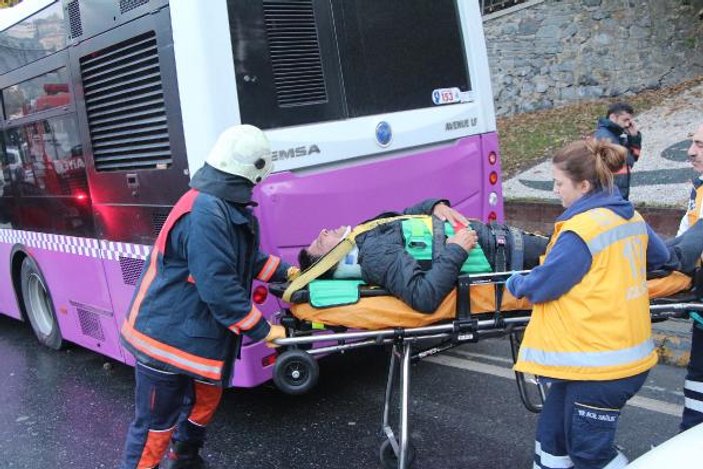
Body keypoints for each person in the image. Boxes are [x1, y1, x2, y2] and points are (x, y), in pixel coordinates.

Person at [119, 125, 298, 469]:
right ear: (255, 170)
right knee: (155, 428)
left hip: (194, 337)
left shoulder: (221, 204)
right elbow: (218, 285)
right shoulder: (205, 211)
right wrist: (264, 330)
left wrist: (287, 273)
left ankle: (185, 459)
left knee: (204, 404)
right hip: (165, 339)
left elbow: (246, 260)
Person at [505, 139, 669, 468]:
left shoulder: (582, 231)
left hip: (601, 367)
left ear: (582, 185)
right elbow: (662, 257)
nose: (554, 190)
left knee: (588, 452)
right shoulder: (629, 217)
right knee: (552, 438)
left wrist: (515, 282)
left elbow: (542, 286)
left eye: (559, 183)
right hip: (602, 358)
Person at [297, 199, 552, 313]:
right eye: (321, 241)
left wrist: (433, 207)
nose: (323, 231)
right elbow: (423, 296)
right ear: (332, 258)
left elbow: (403, 216)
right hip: (504, 254)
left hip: (500, 241)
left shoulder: (365, 236)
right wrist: (457, 249)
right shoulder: (373, 256)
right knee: (577, 257)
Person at [677, 123, 703, 432]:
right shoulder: (698, 188)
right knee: (697, 382)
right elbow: (684, 238)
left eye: (699, 144)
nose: (691, 151)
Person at [594, 102, 643, 200]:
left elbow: (633, 157)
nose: (627, 124)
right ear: (613, 117)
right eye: (625, 120)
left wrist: (634, 137)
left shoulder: (615, 135)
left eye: (629, 120)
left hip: (617, 194)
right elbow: (629, 160)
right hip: (610, 197)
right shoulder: (605, 137)